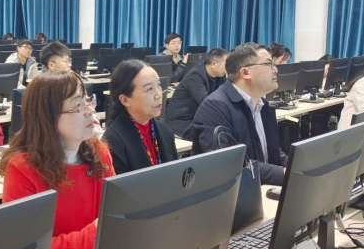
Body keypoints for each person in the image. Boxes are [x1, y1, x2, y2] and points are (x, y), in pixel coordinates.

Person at [0, 71, 114, 249]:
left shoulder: (99, 153)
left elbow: (113, 218)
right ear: (49, 116)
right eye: (78, 106)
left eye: (88, 101)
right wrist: (97, 235)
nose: (90, 112)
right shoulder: (22, 168)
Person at [193, 43, 288, 186]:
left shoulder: (263, 105)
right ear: (245, 72)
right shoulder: (215, 107)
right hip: (233, 194)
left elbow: (273, 153)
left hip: (259, 188)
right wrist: (282, 174)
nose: (275, 70)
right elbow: (227, 164)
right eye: (268, 64)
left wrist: (297, 167)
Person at [104, 60, 178, 175]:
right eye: (149, 89)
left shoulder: (164, 130)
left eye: (158, 85)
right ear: (125, 100)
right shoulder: (113, 141)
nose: (159, 95)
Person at [41, 41, 104, 140]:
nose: (70, 65)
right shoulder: (43, 89)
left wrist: (98, 136)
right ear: (51, 65)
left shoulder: (76, 82)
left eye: (69, 61)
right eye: (66, 61)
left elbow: (92, 115)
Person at [166, 48, 229, 141]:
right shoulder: (195, 75)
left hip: (200, 117)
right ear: (214, 64)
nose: (228, 68)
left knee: (228, 130)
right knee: (212, 136)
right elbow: (205, 102)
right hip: (181, 121)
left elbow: (226, 96)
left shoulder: (220, 76)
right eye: (226, 64)